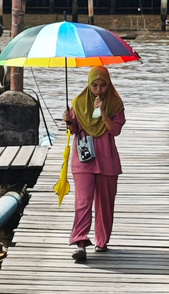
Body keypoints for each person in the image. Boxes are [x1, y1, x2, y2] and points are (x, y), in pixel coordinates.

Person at [62, 66, 126, 262]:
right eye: (94, 85)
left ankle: (102, 240)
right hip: (84, 158)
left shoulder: (115, 104)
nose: (98, 90)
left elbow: (115, 130)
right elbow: (74, 130)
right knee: (83, 201)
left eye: (103, 85)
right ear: (89, 85)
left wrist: (103, 112)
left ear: (109, 85)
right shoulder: (79, 102)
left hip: (107, 159)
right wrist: (69, 121)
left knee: (105, 203)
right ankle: (80, 242)